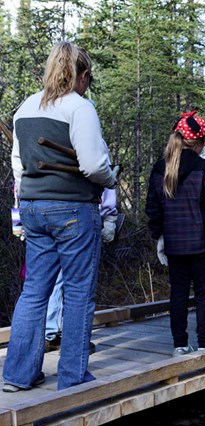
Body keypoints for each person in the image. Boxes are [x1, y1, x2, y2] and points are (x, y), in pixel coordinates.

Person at [5, 41, 118, 392]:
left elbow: (18, 165)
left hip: (34, 207)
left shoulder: (25, 107)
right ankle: (72, 376)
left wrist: (25, 202)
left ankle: (18, 374)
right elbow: (92, 164)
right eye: (88, 77)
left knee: (35, 290)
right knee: (79, 291)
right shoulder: (79, 108)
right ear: (81, 74)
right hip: (73, 208)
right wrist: (110, 177)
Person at [146, 111, 205, 356]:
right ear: (200, 142)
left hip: (174, 242)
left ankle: (180, 345)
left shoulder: (159, 168)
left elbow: (153, 207)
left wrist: (159, 236)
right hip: (202, 242)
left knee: (179, 293)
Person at [45, 188, 118, 353]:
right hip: (80, 211)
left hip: (40, 209)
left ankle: (49, 334)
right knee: (79, 281)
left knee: (50, 279)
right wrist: (110, 216)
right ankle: (76, 340)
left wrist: (19, 222)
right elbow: (102, 174)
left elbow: (20, 180)